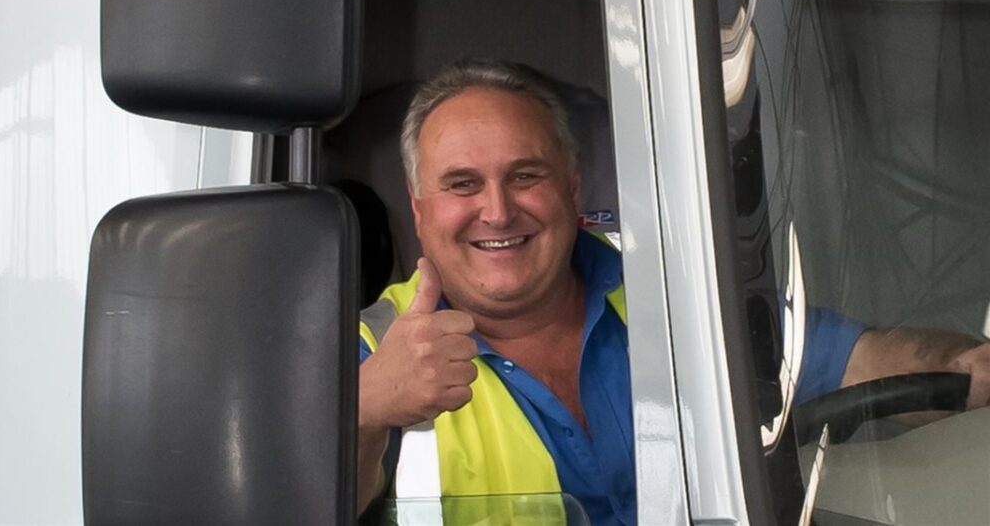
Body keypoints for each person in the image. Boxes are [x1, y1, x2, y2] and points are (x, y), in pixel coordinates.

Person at [356, 59, 990, 523]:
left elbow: (859, 362)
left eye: (526, 176)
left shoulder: (682, 298)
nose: (497, 211)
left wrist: (965, 369)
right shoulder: (363, 356)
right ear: (418, 210)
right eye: (462, 185)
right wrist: (365, 412)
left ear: (574, 189)